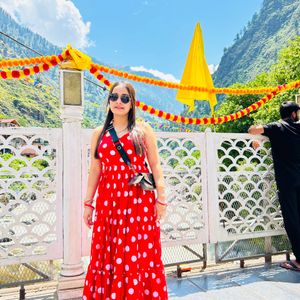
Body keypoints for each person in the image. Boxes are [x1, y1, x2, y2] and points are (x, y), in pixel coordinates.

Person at [82, 81, 168, 299]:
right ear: (108, 101)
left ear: (132, 103)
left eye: (124, 98)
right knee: (108, 254)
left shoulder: (142, 130)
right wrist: (88, 203)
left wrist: (162, 198)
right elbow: (95, 170)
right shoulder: (99, 133)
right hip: (108, 202)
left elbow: (155, 165)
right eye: (114, 97)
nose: (118, 102)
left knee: (139, 252)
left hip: (138, 201)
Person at [248, 101, 300, 272]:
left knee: (292, 220)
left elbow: (252, 130)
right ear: (293, 114)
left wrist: (257, 139)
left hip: (287, 182)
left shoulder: (277, 127)